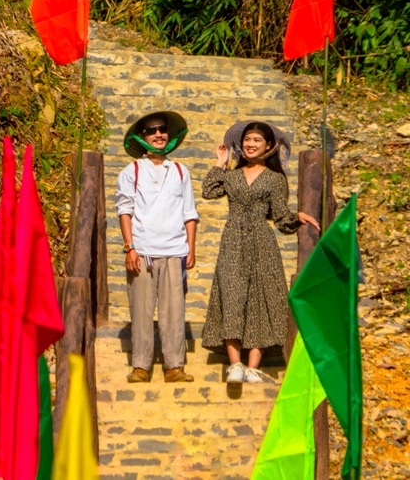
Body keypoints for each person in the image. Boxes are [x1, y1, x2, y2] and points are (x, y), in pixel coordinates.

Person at [201, 120, 319, 384]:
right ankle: (235, 365)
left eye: (256, 140)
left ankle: (254, 366)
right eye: (247, 140)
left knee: (260, 298)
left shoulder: (276, 179)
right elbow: (208, 191)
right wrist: (220, 162)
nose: (250, 144)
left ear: (268, 146)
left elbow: (279, 217)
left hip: (262, 243)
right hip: (232, 239)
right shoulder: (231, 175)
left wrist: (296, 216)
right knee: (230, 295)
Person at [115, 111, 199, 384]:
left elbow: (189, 212)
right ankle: (141, 365)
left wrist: (191, 247)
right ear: (142, 137)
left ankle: (174, 365)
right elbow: (124, 210)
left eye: (162, 129)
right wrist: (130, 247)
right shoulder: (132, 171)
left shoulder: (180, 171)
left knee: (174, 310)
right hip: (144, 249)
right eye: (151, 131)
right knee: (140, 308)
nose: (158, 135)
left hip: (174, 249)